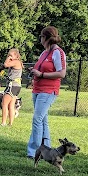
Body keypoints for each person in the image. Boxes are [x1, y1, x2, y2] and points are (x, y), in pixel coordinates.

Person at [27, 26, 67, 159]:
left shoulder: (58, 53)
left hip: (48, 90)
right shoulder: (44, 53)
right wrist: (35, 71)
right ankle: (48, 149)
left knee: (37, 119)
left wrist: (42, 74)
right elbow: (41, 69)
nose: (40, 40)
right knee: (43, 120)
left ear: (46, 38)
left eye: (41, 37)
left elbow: (62, 73)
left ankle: (34, 151)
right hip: (37, 89)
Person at [1, 48, 23, 127]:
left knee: (4, 104)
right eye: (8, 55)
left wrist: (8, 58)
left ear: (16, 56)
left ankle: (3, 123)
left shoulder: (16, 62)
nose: (9, 56)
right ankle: (10, 123)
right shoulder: (17, 62)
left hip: (12, 85)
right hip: (16, 86)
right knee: (11, 105)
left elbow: (5, 64)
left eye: (11, 55)